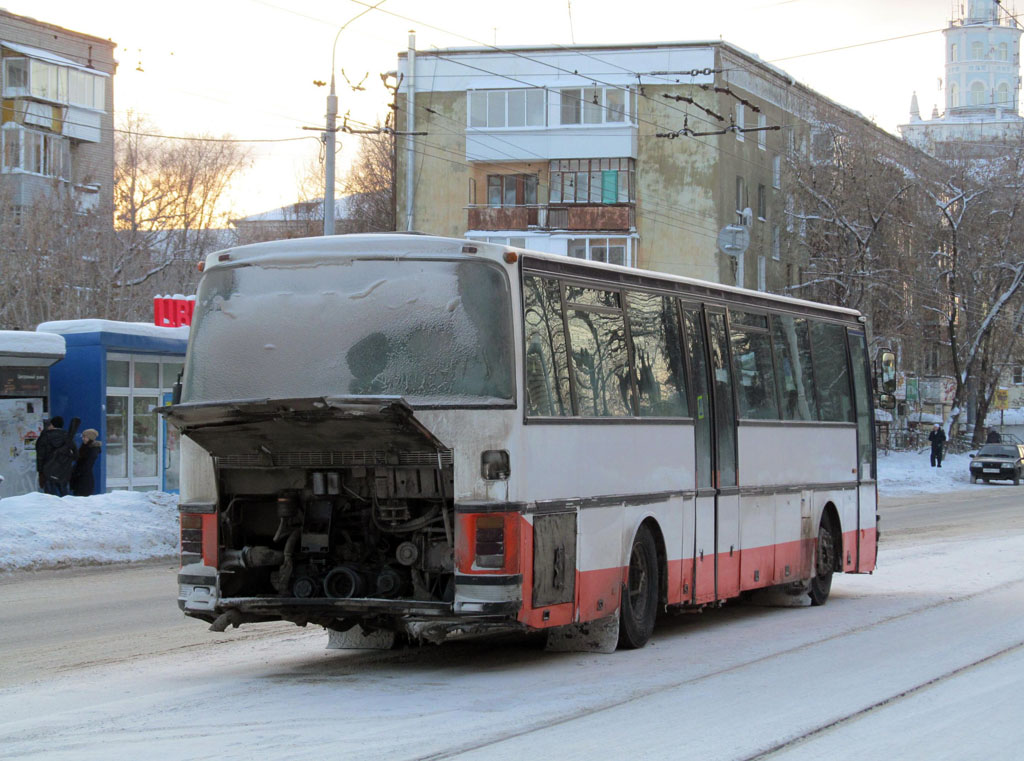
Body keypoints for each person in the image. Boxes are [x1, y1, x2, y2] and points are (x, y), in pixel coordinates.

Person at [36, 416, 76, 496]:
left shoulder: (44, 437)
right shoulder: (67, 437)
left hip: (48, 471)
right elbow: (75, 455)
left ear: (52, 425)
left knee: (50, 498)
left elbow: (40, 456)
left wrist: (40, 472)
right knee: (64, 498)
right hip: (63, 473)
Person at [71, 429, 102, 497]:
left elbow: (86, 465)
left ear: (90, 438)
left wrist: (78, 472)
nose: (83, 439)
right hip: (80, 478)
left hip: (85, 480)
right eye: (83, 437)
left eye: (85, 437)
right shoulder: (84, 447)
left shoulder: (92, 449)